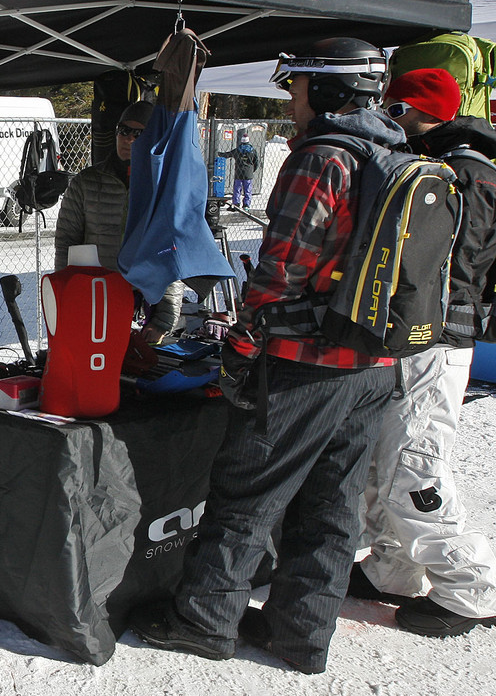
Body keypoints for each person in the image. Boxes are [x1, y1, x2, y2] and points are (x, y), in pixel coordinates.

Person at [129, 37, 401, 674]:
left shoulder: (324, 159)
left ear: (329, 91)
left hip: (306, 363)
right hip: (375, 366)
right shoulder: (396, 153)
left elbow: (280, 270)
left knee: (246, 494)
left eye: (298, 87)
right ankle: (300, 635)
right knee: (333, 505)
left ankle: (204, 620)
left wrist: (243, 347)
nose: (292, 99)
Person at [350, 67, 496, 637]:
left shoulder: (460, 175)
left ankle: (471, 586)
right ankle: (394, 570)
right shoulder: (458, 167)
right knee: (389, 457)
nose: (390, 120)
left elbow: (443, 269)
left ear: (411, 108)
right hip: (424, 335)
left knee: (415, 464)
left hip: (433, 340)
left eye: (394, 109)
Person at [54, 100, 182, 344]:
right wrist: (65, 296)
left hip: (143, 307)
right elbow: (65, 244)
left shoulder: (164, 187)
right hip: (94, 301)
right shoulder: (86, 182)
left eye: (139, 133)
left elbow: (172, 256)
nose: (129, 139)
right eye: (123, 131)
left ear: (155, 136)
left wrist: (164, 319)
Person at [218, 130, 260, 208]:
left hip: (238, 172)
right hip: (248, 173)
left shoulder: (237, 150)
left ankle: (236, 203)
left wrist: (218, 153)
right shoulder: (253, 151)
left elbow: (227, 154)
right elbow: (256, 163)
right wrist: (252, 170)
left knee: (237, 189)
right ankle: (246, 204)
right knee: (248, 190)